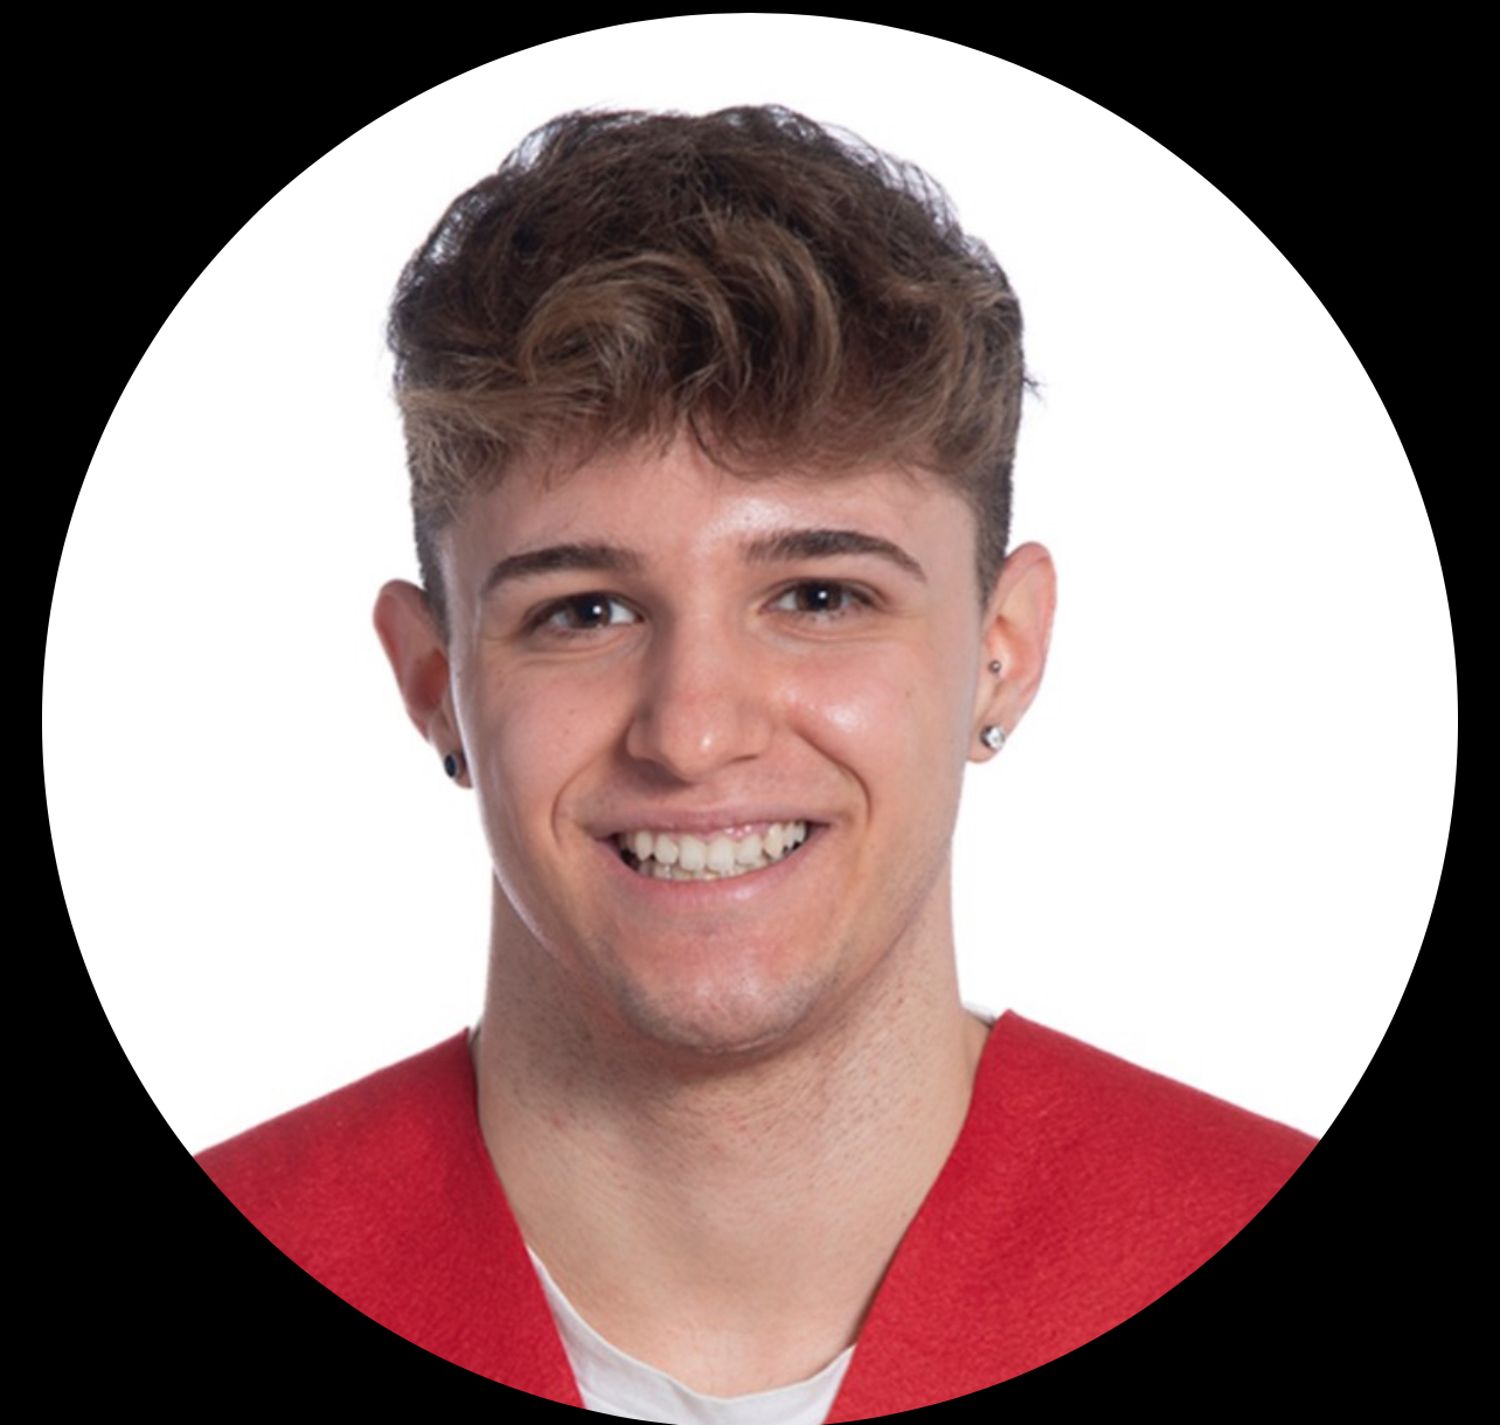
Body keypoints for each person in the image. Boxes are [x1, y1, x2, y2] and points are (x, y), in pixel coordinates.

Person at [196, 105, 1315, 1420]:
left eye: (821, 597)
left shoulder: (1234, 1218)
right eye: (584, 611)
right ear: (434, 682)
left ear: (1002, 652)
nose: (693, 732)